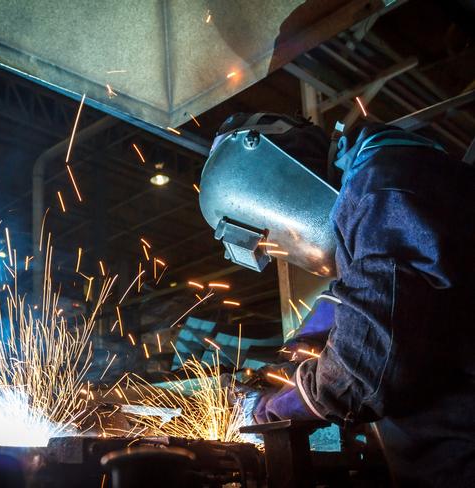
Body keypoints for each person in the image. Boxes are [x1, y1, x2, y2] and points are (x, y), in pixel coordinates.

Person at [199, 112, 475, 486]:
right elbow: (365, 294)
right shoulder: (387, 182)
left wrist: (277, 407)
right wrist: (295, 351)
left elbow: (366, 365)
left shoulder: (383, 190)